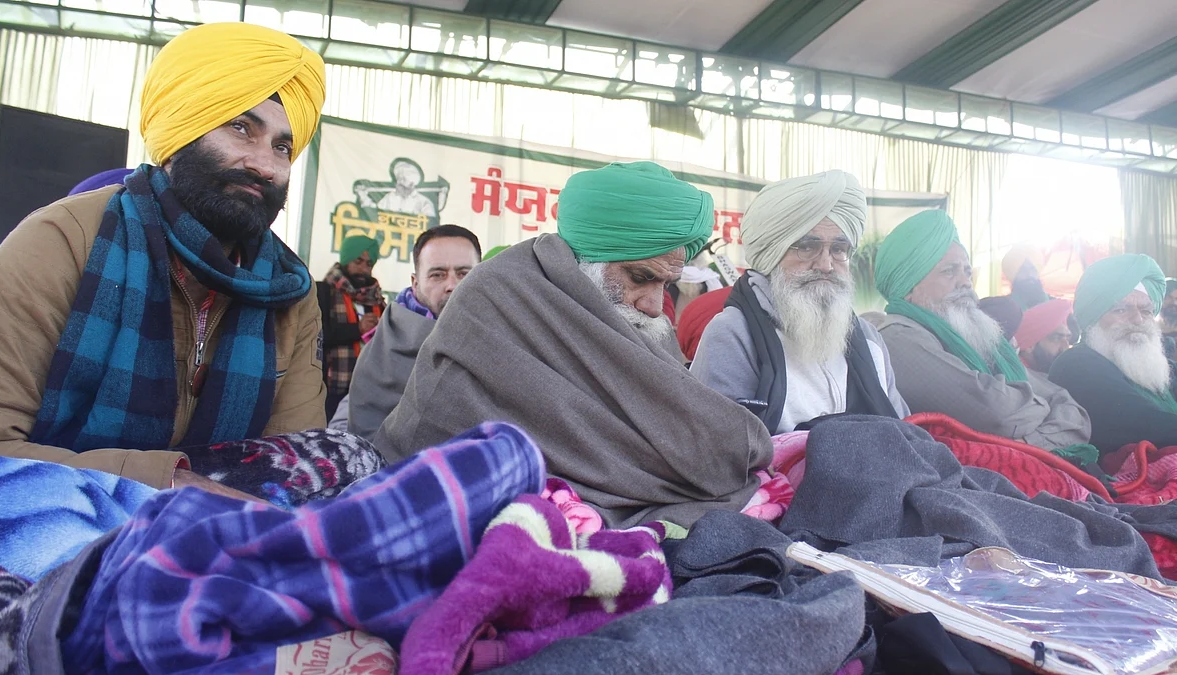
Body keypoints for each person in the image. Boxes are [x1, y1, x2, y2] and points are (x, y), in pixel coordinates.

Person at [0, 22, 328, 495]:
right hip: (59, 519)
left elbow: (299, 467)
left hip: (224, 530)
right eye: (241, 128)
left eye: (282, 147)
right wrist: (174, 485)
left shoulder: (289, 291)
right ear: (181, 133)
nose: (264, 166)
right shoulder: (62, 240)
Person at [370, 161, 773, 528]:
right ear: (585, 264)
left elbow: (699, 433)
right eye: (641, 277)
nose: (654, 306)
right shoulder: (495, 299)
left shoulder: (644, 321)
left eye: (665, 285)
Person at [691, 170, 908, 433]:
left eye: (838, 249)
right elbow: (722, 447)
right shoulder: (734, 334)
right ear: (772, 255)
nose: (826, 265)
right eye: (807, 247)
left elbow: (905, 434)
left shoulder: (869, 339)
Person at [872, 211, 1090, 450]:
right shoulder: (898, 338)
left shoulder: (971, 338)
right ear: (909, 288)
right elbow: (997, 411)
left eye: (967, 271)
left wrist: (1031, 441)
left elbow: (1074, 412)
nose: (966, 282)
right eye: (949, 271)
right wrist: (1047, 416)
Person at [340, 225, 481, 438]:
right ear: (415, 284)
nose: (452, 285)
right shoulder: (384, 349)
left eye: (463, 274)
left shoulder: (506, 335)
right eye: (438, 275)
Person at [1049, 255, 1177, 454]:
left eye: (1146, 311)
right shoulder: (1076, 364)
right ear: (1093, 317)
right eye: (1121, 310)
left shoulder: (1159, 370)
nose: (1138, 319)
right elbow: (1141, 423)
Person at [317, 235, 386, 419]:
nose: (364, 269)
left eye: (369, 264)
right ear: (346, 259)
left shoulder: (376, 299)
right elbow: (317, 335)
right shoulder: (322, 291)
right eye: (358, 261)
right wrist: (358, 329)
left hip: (369, 391)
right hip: (330, 390)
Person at [1015, 299, 1073, 376]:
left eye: (1068, 339)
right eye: (1057, 338)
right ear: (1030, 345)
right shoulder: (1014, 377)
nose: (1065, 347)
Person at [1003, 243, 1048, 310]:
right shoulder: (1004, 307)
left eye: (1032, 269)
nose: (1029, 274)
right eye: (1023, 270)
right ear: (1014, 275)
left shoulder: (1055, 305)